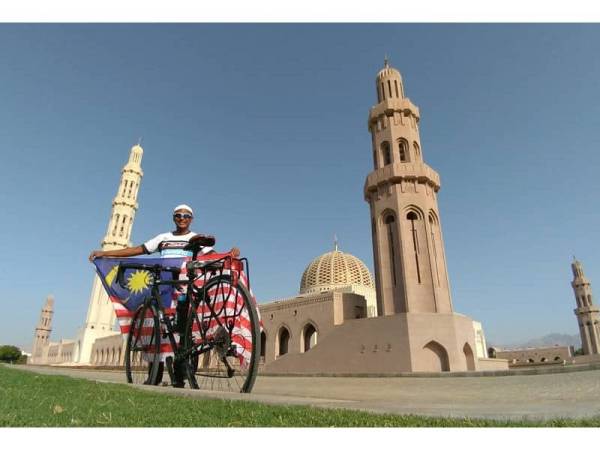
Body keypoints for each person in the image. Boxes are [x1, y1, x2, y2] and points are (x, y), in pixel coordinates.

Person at [89, 204, 239, 387]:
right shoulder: (164, 238)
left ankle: (180, 373)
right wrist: (106, 254)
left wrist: (230, 255)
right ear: (174, 217)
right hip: (164, 289)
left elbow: (212, 256)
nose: (182, 218)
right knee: (157, 329)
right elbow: (139, 250)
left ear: (191, 219)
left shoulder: (195, 238)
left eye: (186, 215)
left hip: (183, 289)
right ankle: (156, 373)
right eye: (178, 215)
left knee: (183, 330)